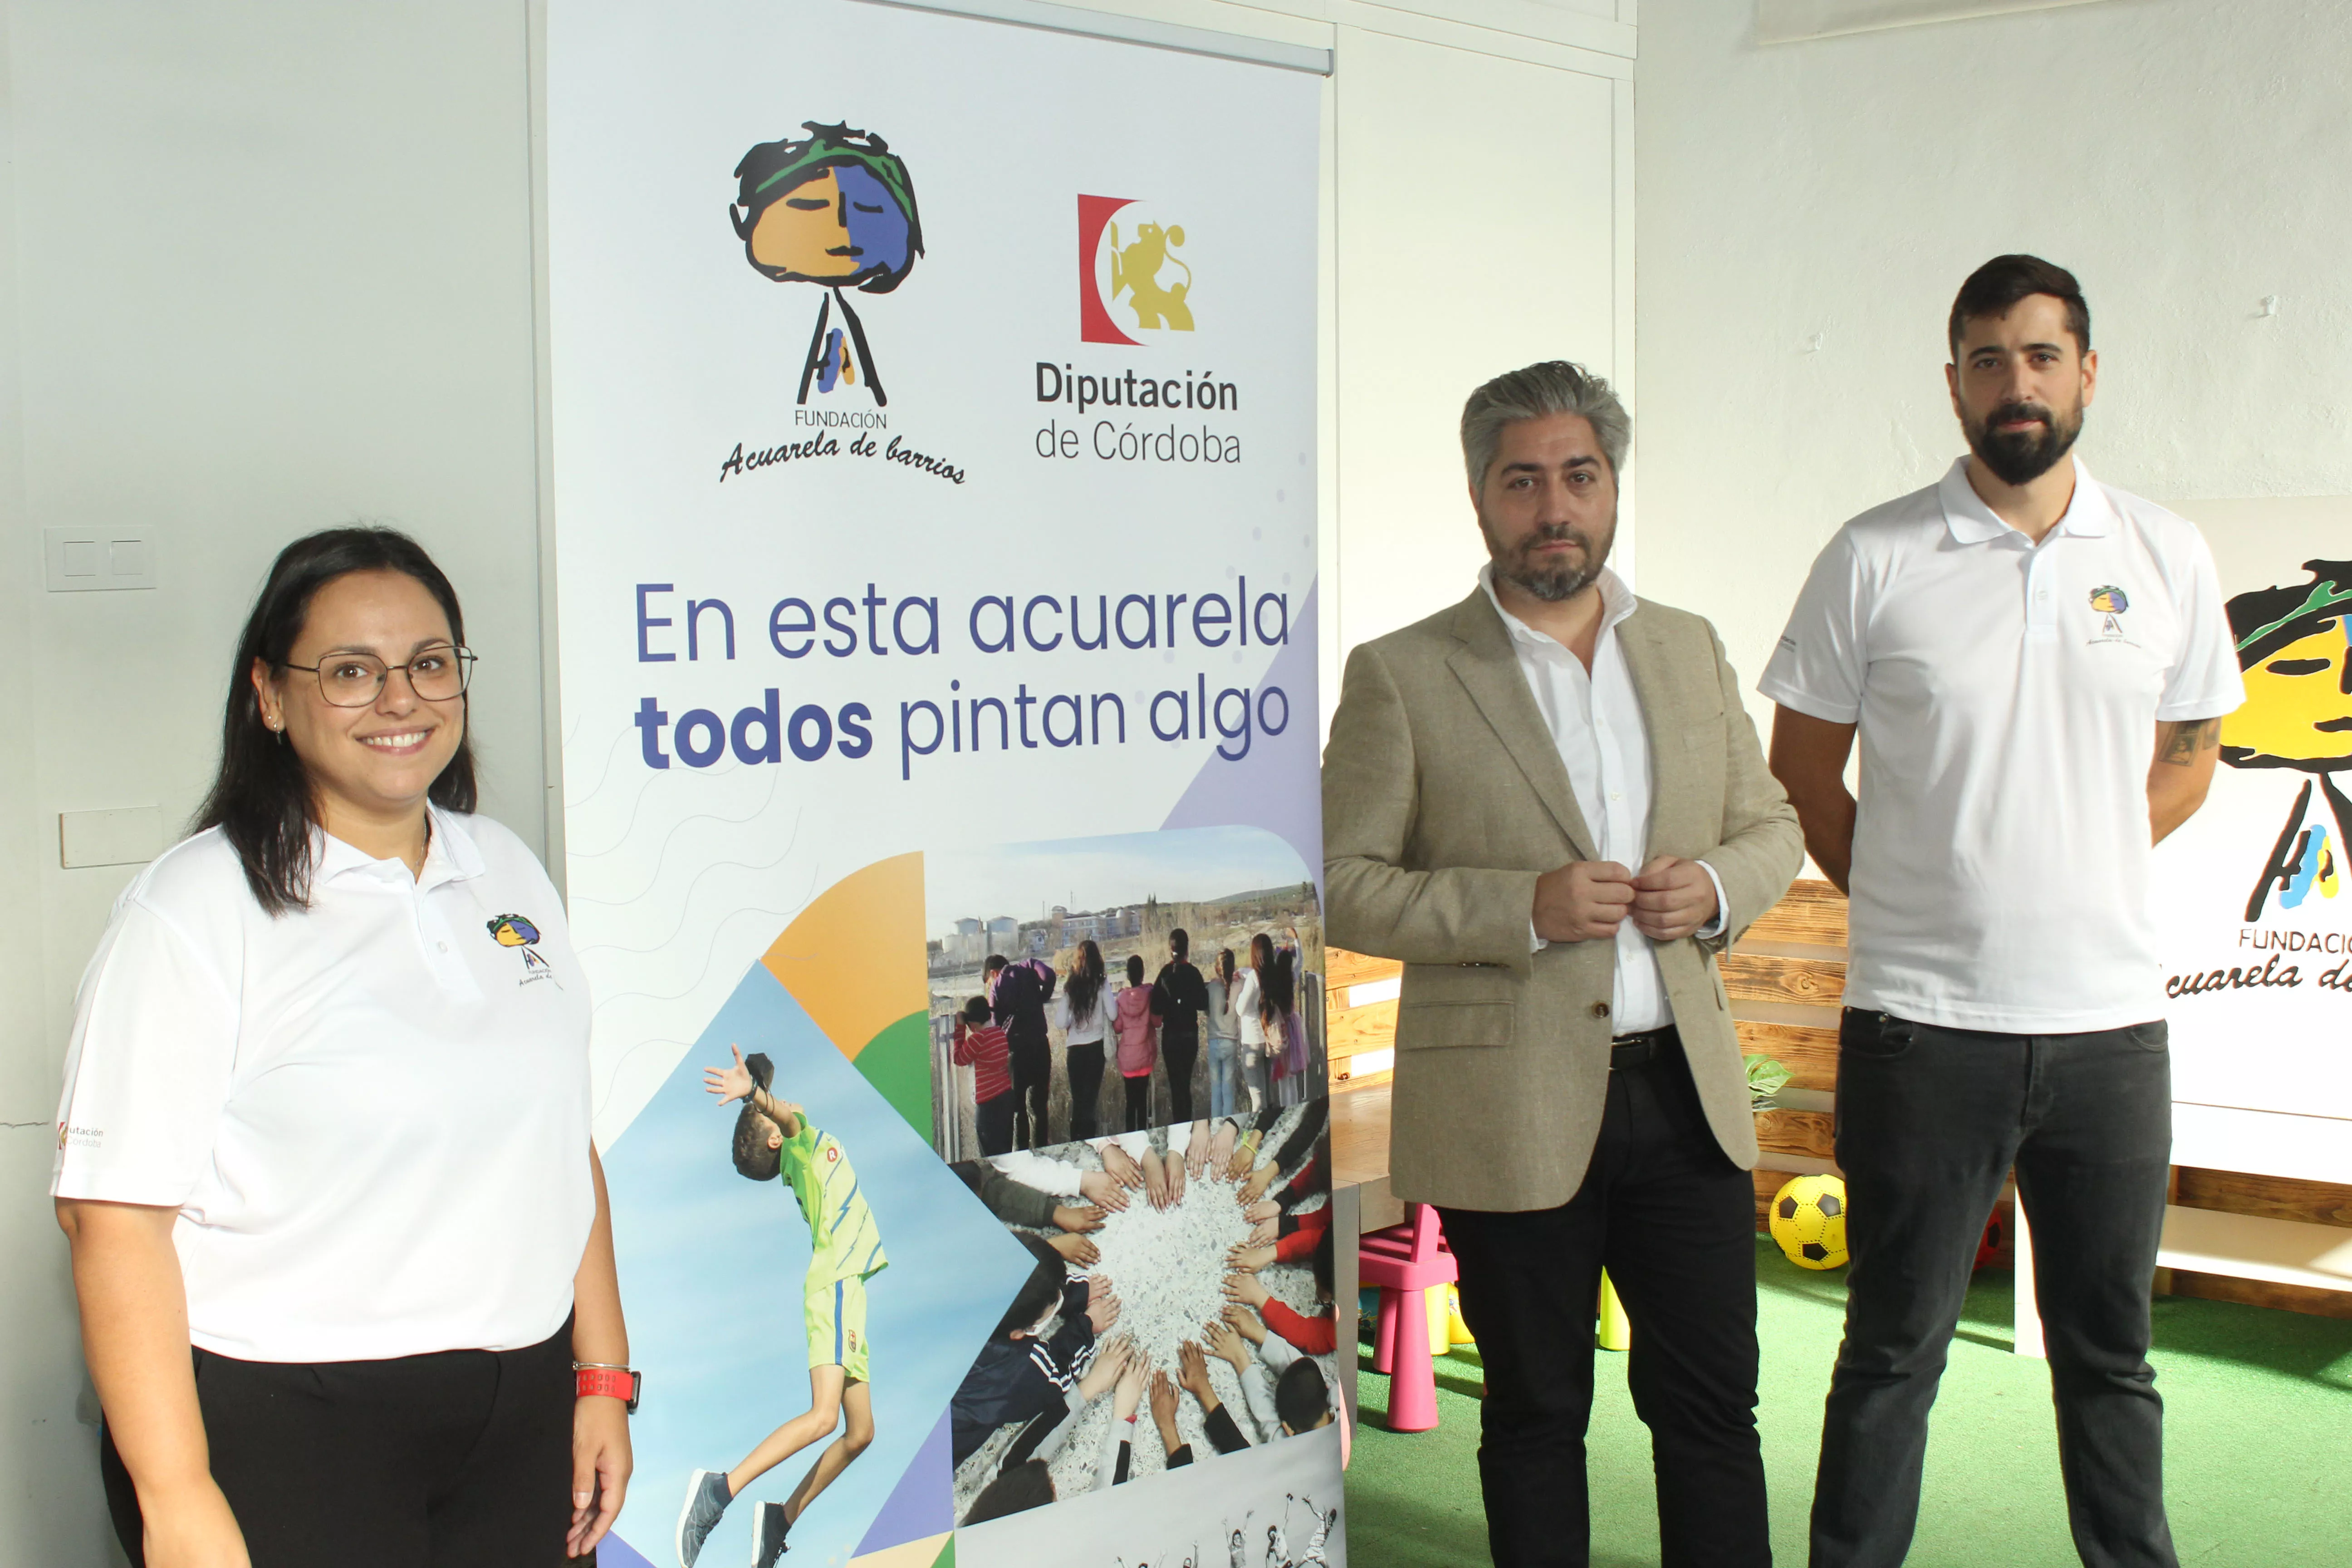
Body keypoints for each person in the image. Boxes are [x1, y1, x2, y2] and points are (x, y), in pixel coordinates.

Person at [1762, 255, 2243, 1568]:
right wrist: (1923, 893)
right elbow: (1802, 773)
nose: (2014, 382)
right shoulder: (1873, 557)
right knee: (1891, 1354)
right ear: (1956, 384)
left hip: (2111, 1033)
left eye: (2041, 355)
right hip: (1921, 1030)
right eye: (1988, 359)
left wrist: (2078, 860)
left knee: (2112, 1361)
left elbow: (2190, 755)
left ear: (2088, 372)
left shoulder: (2166, 553)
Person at [49, 526, 634, 1564]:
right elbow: (111, 1221)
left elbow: (559, 1142)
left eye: (428, 662)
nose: (400, 698)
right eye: (352, 671)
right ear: (269, 696)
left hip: (519, 1412)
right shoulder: (196, 909)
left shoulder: (504, 869)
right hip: (289, 1423)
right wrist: (178, 1497)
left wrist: (600, 1375)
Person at [1322, 360, 1803, 1568]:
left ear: (1612, 489)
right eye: (1523, 480)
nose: (1555, 507)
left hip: (1684, 1098)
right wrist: (1522, 908)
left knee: (1712, 1417)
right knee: (1536, 1420)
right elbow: (1342, 880)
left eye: (1578, 477)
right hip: (1508, 1111)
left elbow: (1775, 827)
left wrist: (1719, 890)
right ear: (1480, 500)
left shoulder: (1689, 650)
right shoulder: (1404, 673)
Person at [682, 1048, 889, 1568]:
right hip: (836, 1284)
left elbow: (781, 1106)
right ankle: (719, 1491)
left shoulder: (800, 1159)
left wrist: (757, 1083)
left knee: (860, 1432)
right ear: (776, 1136)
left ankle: (781, 1519)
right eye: (773, 1115)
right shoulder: (802, 1145)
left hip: (849, 1292)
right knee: (823, 1418)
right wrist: (753, 1095)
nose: (784, 1108)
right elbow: (787, 1114)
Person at [986, 952, 1058, 1149]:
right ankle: (1042, 1153)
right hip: (1041, 1047)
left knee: (1018, 1110)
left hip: (1016, 1053)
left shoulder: (996, 987)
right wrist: (1043, 997)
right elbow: (1050, 976)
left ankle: (1022, 1154)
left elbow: (996, 1026)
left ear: (993, 972)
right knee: (1039, 1108)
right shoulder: (1029, 966)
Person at [1150, 928, 1212, 1121]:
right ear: (1188, 949)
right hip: (1189, 1038)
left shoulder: (1165, 973)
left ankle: (1179, 1125)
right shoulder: (1193, 973)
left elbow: (1155, 1008)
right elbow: (1203, 1003)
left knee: (1176, 1087)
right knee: (1185, 1085)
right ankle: (1188, 1124)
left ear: (1170, 949)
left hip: (1170, 1038)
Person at [1056, 941, 1113, 1141]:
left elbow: (1060, 1021)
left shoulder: (1071, 986)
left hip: (1075, 1051)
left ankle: (1076, 1144)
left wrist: (1074, 1019)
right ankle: (1091, 1144)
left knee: (1078, 1102)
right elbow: (1113, 1014)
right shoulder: (1102, 983)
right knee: (1091, 1102)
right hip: (1095, 1048)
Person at [952, 996, 1014, 1156]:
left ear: (972, 1023)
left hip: (988, 1103)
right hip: (1006, 1098)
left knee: (989, 1157)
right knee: (1006, 1153)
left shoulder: (978, 1039)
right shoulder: (999, 1033)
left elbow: (959, 1059)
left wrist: (960, 1029)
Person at [1114, 954, 1161, 1132]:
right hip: (1145, 1058)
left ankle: (1129, 1137)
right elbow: (1157, 1022)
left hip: (1127, 1060)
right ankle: (1143, 1136)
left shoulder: (1121, 999)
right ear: (1142, 974)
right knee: (1142, 1103)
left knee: (1130, 1103)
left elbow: (1118, 1027)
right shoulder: (1149, 996)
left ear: (1128, 975)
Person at [1232, 935, 1271, 1113]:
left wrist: (1241, 989)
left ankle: (1257, 1131)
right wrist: (1244, 972)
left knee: (1257, 1098)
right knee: (1269, 1094)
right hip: (1269, 1040)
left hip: (1252, 1042)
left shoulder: (1254, 978)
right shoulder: (1273, 973)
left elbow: (1240, 1009)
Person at [1204, 949, 1243, 1117]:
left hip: (1214, 1042)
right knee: (1228, 1092)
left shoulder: (1211, 988)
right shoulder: (1239, 986)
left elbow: (1207, 1012)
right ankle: (1228, 1122)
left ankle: (1216, 1125)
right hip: (1231, 1042)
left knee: (1216, 1091)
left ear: (1216, 968)